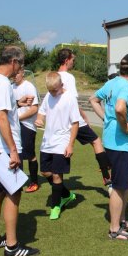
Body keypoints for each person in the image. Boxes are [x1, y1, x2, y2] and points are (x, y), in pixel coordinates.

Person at [0, 45, 39, 256]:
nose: (20, 69)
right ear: (13, 62)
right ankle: (12, 246)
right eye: (20, 64)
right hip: (5, 149)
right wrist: (14, 150)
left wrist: (17, 102)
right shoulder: (4, 83)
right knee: (14, 195)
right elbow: (1, 117)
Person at [89, 52, 128, 241]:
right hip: (119, 144)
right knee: (119, 186)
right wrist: (124, 125)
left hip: (115, 142)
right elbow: (120, 108)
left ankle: (120, 219)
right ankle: (114, 230)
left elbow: (93, 100)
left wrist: (106, 119)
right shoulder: (127, 87)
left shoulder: (112, 83)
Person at [57, 48, 111, 186]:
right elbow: (72, 101)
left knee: (60, 152)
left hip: (59, 122)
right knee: (97, 141)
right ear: (66, 60)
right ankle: (107, 177)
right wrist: (83, 116)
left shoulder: (53, 76)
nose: (73, 62)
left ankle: (58, 186)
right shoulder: (69, 77)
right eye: (73, 59)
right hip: (73, 121)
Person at [34, 72, 80, 220]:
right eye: (50, 90)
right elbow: (41, 113)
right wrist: (40, 120)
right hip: (47, 142)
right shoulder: (49, 96)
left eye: (55, 90)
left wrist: (70, 145)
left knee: (56, 175)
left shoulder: (69, 98)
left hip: (62, 142)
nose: (52, 93)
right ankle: (67, 195)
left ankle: (55, 207)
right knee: (45, 172)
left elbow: (75, 123)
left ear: (61, 85)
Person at [12, 68, 40, 193]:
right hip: (15, 125)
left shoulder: (29, 86)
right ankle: (15, 181)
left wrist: (18, 118)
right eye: (13, 73)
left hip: (27, 125)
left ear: (22, 72)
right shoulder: (10, 87)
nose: (14, 76)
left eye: (17, 73)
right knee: (14, 153)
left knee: (29, 154)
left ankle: (34, 182)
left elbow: (34, 109)